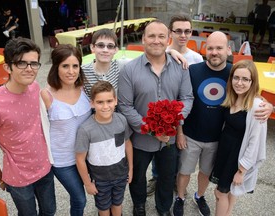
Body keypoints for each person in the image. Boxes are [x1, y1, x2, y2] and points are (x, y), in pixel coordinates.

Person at [173, 31, 273, 216]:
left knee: (205, 172)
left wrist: (269, 106)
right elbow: (182, 101)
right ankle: (180, 197)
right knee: (184, 170)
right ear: (205, 50)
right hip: (190, 135)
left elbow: (252, 93)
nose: (214, 52)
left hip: (217, 139)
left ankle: (199, 196)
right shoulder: (193, 71)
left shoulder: (235, 72)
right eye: (210, 48)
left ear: (228, 50)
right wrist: (179, 131)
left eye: (219, 48)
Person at [117, 20, 194, 216]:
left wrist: (173, 122)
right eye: (151, 36)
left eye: (161, 36)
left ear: (168, 40)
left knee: (167, 176)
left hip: (168, 139)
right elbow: (125, 106)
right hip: (140, 138)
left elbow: (186, 98)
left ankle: (163, 207)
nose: (156, 40)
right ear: (143, 39)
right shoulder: (129, 70)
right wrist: (151, 129)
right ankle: (139, 204)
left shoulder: (181, 68)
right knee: (138, 176)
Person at [0, 37, 56, 216]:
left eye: (34, 63)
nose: (29, 69)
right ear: (7, 67)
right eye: (21, 63)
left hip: (44, 166)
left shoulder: (34, 88)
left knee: (49, 211)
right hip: (18, 177)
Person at [147, 15, 203, 196]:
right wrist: (170, 52)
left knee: (180, 151)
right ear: (170, 32)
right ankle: (157, 177)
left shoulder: (196, 58)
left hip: (186, 113)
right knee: (161, 147)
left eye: (187, 31)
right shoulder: (162, 51)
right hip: (163, 114)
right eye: (178, 31)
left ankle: (173, 180)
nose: (183, 35)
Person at [210, 60, 267, 216]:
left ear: (252, 81)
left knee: (220, 194)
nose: (239, 83)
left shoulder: (256, 106)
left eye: (245, 79)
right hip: (225, 152)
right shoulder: (232, 98)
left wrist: (241, 171)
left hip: (237, 158)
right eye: (236, 78)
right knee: (230, 192)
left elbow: (254, 142)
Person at [40, 44, 91, 216]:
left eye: (75, 66)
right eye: (65, 66)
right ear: (56, 67)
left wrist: (172, 51)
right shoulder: (46, 95)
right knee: (79, 198)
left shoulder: (84, 88)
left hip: (86, 156)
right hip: (63, 161)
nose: (71, 71)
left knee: (97, 191)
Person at [75, 80, 133, 216]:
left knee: (118, 203)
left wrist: (130, 169)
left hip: (121, 175)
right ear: (92, 103)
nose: (105, 106)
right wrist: (88, 184)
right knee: (103, 207)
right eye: (100, 102)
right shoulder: (85, 129)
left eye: (109, 101)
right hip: (100, 179)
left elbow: (127, 143)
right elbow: (80, 159)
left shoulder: (121, 120)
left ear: (115, 101)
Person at [82, 28, 127, 98]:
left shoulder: (120, 66)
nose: (105, 50)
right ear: (92, 47)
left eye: (110, 46)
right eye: (100, 45)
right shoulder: (83, 72)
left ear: (116, 50)